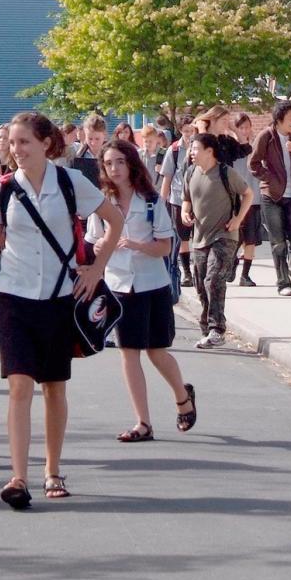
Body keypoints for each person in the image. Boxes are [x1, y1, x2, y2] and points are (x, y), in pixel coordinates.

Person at [0, 111, 123, 510]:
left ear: (44, 143)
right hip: (13, 296)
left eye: (24, 142)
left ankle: (52, 469)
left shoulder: (70, 183)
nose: (16, 149)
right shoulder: (3, 189)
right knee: (20, 384)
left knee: (54, 386)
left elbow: (114, 221)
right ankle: (18, 476)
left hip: (60, 297)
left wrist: (96, 268)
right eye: (11, 142)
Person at [88, 139, 195, 442]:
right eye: (109, 163)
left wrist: (135, 245)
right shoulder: (100, 204)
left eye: (120, 161)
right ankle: (143, 423)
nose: (115, 168)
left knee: (157, 351)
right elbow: (93, 241)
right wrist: (99, 246)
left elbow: (164, 247)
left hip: (152, 283)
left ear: (131, 163)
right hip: (120, 286)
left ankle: (182, 397)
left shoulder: (150, 200)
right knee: (128, 352)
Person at [183, 133, 253, 348]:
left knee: (213, 279)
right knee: (201, 285)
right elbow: (186, 200)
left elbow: (248, 194)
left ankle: (217, 329)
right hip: (200, 237)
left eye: (195, 148)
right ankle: (207, 328)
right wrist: (185, 213)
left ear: (209, 151)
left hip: (224, 235)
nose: (192, 153)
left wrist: (237, 219)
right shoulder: (190, 173)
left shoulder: (225, 172)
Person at [248, 100, 291, 296]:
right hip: (272, 196)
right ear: (279, 119)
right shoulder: (266, 136)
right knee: (278, 242)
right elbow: (253, 164)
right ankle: (283, 282)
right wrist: (269, 178)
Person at [158, 116, 198, 287]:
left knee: (198, 236)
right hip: (178, 199)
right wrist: (162, 201)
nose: (189, 134)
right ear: (181, 130)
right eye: (186, 131)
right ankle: (187, 273)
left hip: (198, 199)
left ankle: (199, 271)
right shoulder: (174, 150)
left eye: (192, 131)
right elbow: (167, 178)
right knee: (183, 238)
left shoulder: (201, 148)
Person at [229, 113, 262, 287]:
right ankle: (232, 262)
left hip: (253, 198)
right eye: (241, 127)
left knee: (251, 238)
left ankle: (245, 274)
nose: (245, 131)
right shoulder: (231, 148)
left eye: (247, 127)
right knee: (235, 237)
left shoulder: (256, 146)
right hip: (235, 199)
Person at [68, 113, 107, 185]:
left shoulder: (111, 155)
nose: (93, 143)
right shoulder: (77, 156)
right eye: (90, 138)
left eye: (97, 139)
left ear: (104, 135)